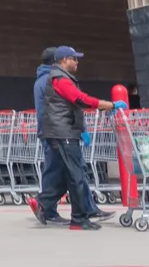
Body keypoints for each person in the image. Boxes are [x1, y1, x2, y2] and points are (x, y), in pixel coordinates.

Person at [35, 45, 120, 230]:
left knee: (68, 174)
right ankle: (79, 219)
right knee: (76, 175)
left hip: (61, 132)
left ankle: (44, 202)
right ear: (64, 60)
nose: (77, 62)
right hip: (64, 133)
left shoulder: (59, 78)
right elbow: (80, 99)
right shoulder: (60, 79)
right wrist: (109, 105)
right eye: (74, 59)